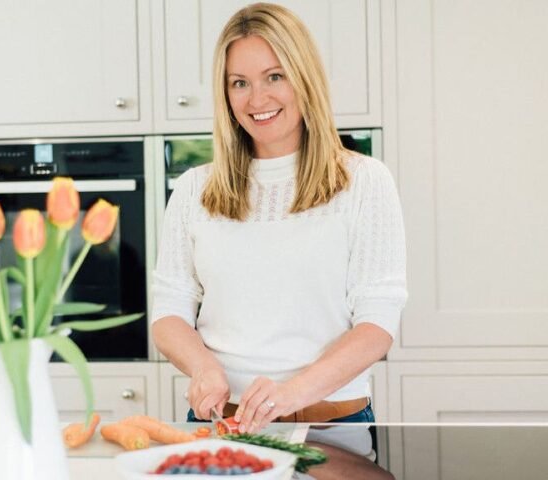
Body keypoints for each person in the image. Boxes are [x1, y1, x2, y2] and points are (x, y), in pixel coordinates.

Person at [151, 2, 407, 434]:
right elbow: (169, 310)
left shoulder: (364, 182)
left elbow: (377, 323)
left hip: (331, 426)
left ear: (303, 78)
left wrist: (293, 393)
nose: (257, 99)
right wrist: (202, 368)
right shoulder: (195, 189)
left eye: (275, 76)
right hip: (220, 425)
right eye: (239, 83)